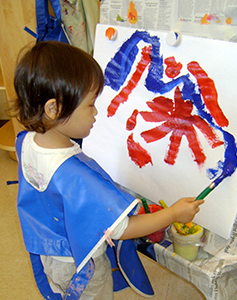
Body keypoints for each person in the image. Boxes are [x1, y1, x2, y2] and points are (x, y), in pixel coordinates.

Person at [13, 41, 204, 300]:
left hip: (50, 250)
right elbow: (123, 228)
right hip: (80, 265)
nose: (97, 112)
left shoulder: (26, 141)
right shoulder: (78, 178)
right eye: (90, 104)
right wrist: (173, 213)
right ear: (54, 109)